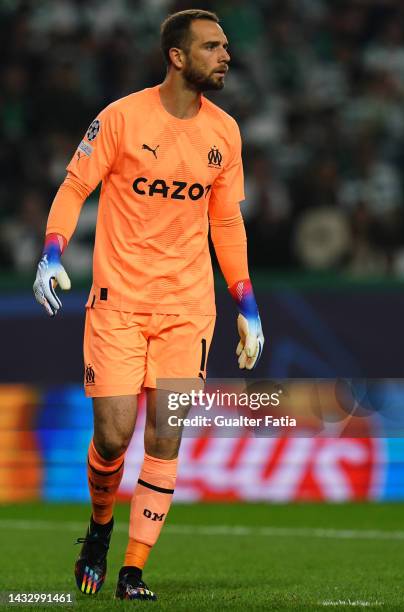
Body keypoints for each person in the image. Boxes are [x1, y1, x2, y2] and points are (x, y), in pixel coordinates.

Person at [33, 8, 264, 602]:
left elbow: (227, 220)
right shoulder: (121, 117)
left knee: (166, 436)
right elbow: (75, 185)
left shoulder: (225, 133)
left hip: (189, 307)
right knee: (113, 437)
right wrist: (52, 251)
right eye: (212, 47)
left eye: (226, 46)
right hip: (117, 302)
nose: (225, 55)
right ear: (177, 57)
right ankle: (101, 525)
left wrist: (247, 302)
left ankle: (134, 570)